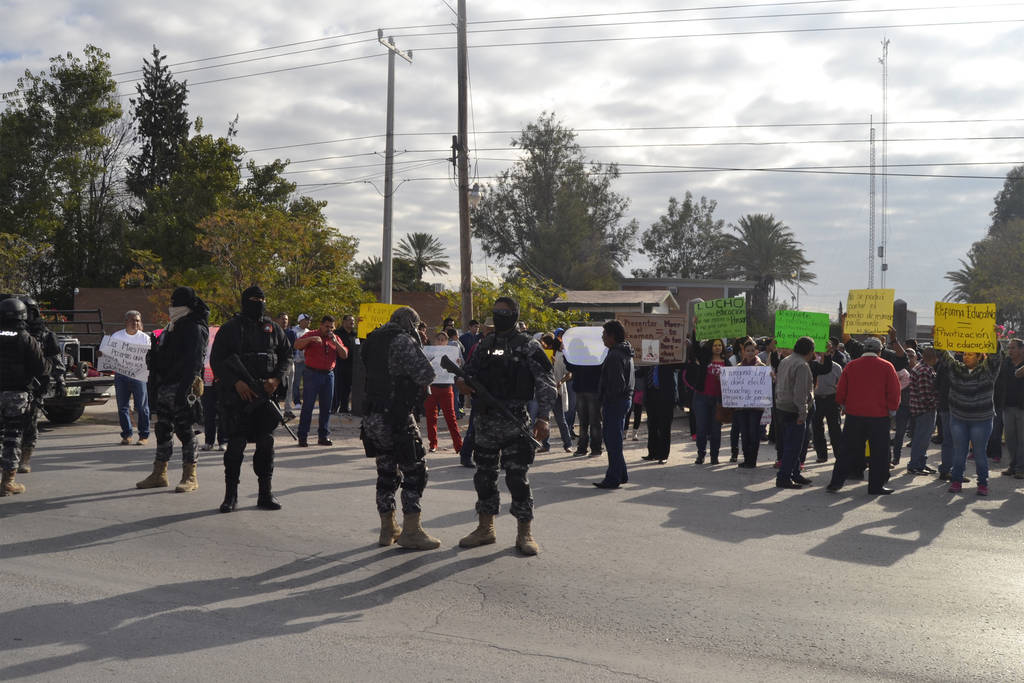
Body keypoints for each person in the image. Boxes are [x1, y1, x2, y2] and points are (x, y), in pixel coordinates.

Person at [456, 296, 555, 556]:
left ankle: (524, 533)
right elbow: (469, 372)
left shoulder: (528, 345)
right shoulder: (484, 344)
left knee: (517, 479)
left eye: (505, 311)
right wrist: (462, 383)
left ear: (515, 315)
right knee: (484, 477)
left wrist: (543, 418)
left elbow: (546, 384)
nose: (500, 315)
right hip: (485, 422)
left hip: (514, 422)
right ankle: (485, 528)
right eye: (496, 311)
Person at [360, 306, 440, 550]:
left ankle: (387, 529)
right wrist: (418, 344)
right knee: (415, 471)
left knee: (386, 472)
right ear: (411, 324)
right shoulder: (403, 340)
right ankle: (411, 531)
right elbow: (426, 375)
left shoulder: (372, 339)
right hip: (396, 416)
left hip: (372, 417)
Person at [210, 285, 292, 512]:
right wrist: (236, 382)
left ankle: (265, 494)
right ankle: (230, 496)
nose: (260, 304)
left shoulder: (273, 329)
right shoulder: (230, 329)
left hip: (265, 398)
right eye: (255, 300)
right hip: (238, 399)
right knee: (235, 447)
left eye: (262, 300)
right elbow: (217, 360)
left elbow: (286, 355)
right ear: (245, 301)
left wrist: (276, 379)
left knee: (266, 445)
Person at [136, 286, 210, 493]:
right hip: (165, 385)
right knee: (163, 430)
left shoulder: (194, 327)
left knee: (185, 431)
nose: (171, 307)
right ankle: (159, 474)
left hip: (182, 387)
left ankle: (190, 476)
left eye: (174, 303)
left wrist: (184, 390)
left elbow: (194, 362)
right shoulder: (172, 327)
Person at [827, 337, 902, 495]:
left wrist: (844, 405)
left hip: (854, 415)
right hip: (879, 416)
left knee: (846, 450)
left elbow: (841, 390)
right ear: (879, 351)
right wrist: (892, 410)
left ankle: (836, 483)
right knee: (879, 453)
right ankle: (876, 486)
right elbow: (894, 392)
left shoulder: (851, 365)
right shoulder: (887, 366)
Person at [937, 339, 1004, 495]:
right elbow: (944, 356)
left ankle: (982, 484)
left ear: (980, 357)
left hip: (981, 420)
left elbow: (996, 358)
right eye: (965, 354)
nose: (966, 357)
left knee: (979, 453)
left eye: (971, 354)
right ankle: (956, 481)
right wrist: (938, 338)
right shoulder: (956, 369)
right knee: (959, 453)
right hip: (958, 419)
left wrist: (994, 339)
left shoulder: (988, 371)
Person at [0, 298, 49, 495]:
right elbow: (41, 368)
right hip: (17, 395)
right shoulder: (25, 338)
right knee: (12, 438)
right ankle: (7, 482)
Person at [18, 295, 66, 473]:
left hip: (35, 387)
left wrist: (60, 381)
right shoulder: (10, 333)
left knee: (30, 424)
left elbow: (55, 360)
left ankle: (25, 459)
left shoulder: (45, 335)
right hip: (11, 383)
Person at [294, 315, 348, 447]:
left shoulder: (335, 338)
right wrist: (311, 339)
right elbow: (296, 345)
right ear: (321, 325)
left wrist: (335, 342)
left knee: (326, 407)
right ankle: (303, 436)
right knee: (308, 406)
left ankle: (323, 436)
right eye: (326, 326)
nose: (329, 329)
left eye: (331, 327)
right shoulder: (312, 334)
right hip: (312, 374)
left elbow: (344, 355)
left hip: (328, 375)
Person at [594, 320, 634, 489]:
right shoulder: (623, 351)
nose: (602, 338)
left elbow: (617, 384)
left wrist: (605, 402)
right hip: (623, 400)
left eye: (604, 334)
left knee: (612, 442)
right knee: (614, 440)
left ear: (612, 336)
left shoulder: (615, 355)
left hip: (615, 402)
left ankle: (613, 478)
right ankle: (621, 474)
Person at [774, 336, 816, 489]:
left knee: (791, 444)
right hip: (794, 410)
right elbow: (800, 392)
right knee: (793, 447)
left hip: (782, 407)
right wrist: (802, 413)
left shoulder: (786, 360)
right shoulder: (802, 365)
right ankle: (784, 478)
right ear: (810, 351)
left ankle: (795, 473)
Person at [110, 310, 151, 447]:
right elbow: (109, 354)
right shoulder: (117, 336)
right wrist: (101, 354)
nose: (135, 323)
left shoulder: (145, 338)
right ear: (126, 321)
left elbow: (149, 356)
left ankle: (144, 436)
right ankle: (127, 435)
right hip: (121, 375)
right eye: (133, 320)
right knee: (122, 407)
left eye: (138, 320)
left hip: (139, 376)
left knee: (142, 407)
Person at [686, 331, 727, 464]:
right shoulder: (704, 359)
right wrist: (695, 330)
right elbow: (695, 347)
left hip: (718, 400)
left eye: (719, 345)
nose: (717, 347)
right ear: (711, 347)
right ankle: (701, 455)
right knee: (701, 428)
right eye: (715, 345)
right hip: (701, 398)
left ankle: (714, 456)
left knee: (716, 430)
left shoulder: (727, 363)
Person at [423, 331, 463, 453]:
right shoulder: (429, 353)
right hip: (432, 388)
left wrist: (458, 363)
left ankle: (458, 445)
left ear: (446, 341)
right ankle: (433, 444)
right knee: (431, 417)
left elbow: (460, 367)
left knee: (451, 418)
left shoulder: (452, 352)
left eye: (443, 339)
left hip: (446, 388)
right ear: (435, 341)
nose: (440, 342)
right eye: (438, 339)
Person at [733, 339, 767, 469]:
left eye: (752, 350)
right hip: (741, 406)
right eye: (748, 350)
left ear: (756, 351)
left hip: (756, 406)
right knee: (744, 433)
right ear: (743, 352)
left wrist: (771, 376)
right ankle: (746, 458)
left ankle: (752, 460)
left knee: (753, 432)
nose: (750, 353)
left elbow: (767, 384)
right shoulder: (738, 367)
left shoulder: (762, 367)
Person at [906, 347, 939, 475]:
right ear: (933, 358)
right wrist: (936, 404)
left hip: (919, 409)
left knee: (922, 439)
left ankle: (920, 464)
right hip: (925, 410)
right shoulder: (924, 371)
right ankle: (915, 466)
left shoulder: (920, 367)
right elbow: (925, 395)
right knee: (921, 440)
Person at [567, 356, 602, 458]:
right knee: (585, 422)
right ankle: (585, 448)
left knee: (592, 422)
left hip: (591, 390)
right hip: (582, 390)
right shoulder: (579, 357)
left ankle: (594, 448)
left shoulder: (593, 357)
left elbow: (570, 366)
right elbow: (570, 367)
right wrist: (566, 355)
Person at [641, 364, 676, 464]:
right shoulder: (647, 361)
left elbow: (680, 364)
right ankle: (652, 453)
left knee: (664, 426)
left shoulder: (667, 360)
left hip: (665, 396)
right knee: (652, 425)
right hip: (650, 394)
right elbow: (641, 372)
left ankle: (663, 455)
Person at [1000, 339, 1024, 478]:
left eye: (1013, 348)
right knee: (1010, 439)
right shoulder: (1006, 363)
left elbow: (1018, 374)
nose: (1010, 351)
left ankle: (1021, 468)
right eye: (1009, 348)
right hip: (1008, 407)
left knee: (1022, 440)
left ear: (1022, 349)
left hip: (1022, 408)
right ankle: (1013, 465)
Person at [332, 314, 357, 414]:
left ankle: (344, 408)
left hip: (352, 365)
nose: (352, 322)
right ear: (344, 322)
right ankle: (334, 407)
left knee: (347, 387)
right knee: (338, 387)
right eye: (350, 320)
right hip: (339, 364)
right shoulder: (337, 333)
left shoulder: (356, 334)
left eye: (353, 320)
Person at [290, 313, 311, 407]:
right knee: (296, 382)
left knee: (308, 383)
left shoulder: (309, 332)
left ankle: (307, 401)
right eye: (307, 320)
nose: (309, 322)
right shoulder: (293, 331)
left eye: (309, 320)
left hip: (307, 361)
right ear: (300, 321)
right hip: (297, 361)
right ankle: (297, 401)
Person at [278, 312, 296, 419]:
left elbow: (294, 348)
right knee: (276, 387)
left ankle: (288, 410)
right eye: (283, 319)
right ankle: (276, 409)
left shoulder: (291, 333)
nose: (284, 321)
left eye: (286, 319)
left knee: (289, 387)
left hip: (289, 363)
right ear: (278, 320)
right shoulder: (275, 331)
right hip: (277, 363)